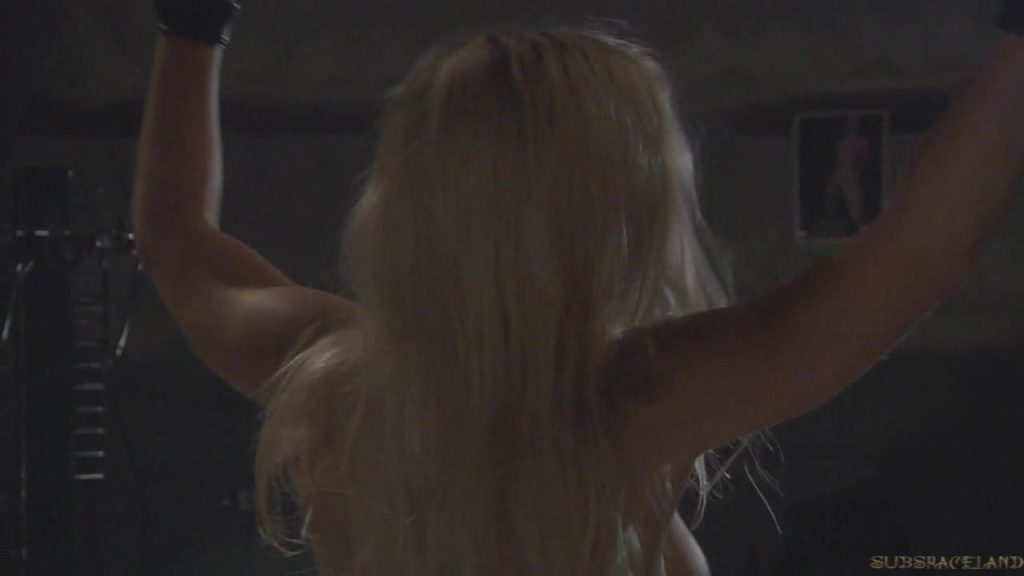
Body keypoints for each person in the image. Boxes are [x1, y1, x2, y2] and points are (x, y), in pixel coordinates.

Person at [130, 1, 1024, 575]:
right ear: (615, 208)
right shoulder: (625, 402)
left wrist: (192, 26)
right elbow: (917, 257)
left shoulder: (337, 377)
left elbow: (175, 240)